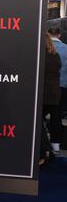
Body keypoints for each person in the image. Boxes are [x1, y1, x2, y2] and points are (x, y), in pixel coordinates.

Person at [40, 32, 61, 165]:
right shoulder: (55, 55)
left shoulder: (42, 56)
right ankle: (48, 152)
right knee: (43, 124)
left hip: (44, 95)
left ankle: (45, 154)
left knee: (38, 125)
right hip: (54, 95)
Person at [47, 27, 67, 153]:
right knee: (57, 115)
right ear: (59, 35)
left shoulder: (43, 48)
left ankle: (40, 143)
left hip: (46, 87)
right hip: (63, 87)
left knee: (39, 116)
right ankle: (56, 145)